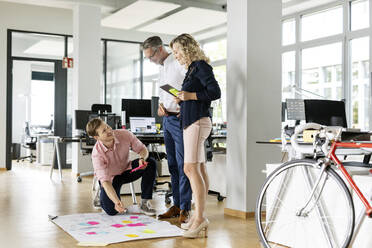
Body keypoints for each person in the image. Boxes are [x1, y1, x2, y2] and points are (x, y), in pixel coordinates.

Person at [170, 33, 221, 238]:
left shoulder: (201, 66)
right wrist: (183, 103)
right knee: (198, 167)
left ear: (187, 48)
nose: (176, 56)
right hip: (191, 119)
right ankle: (199, 216)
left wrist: (190, 96)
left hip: (197, 122)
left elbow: (215, 92)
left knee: (189, 167)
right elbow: (195, 97)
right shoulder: (191, 70)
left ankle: (199, 218)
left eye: (177, 51)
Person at [142, 36, 192, 223]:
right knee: (172, 165)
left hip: (180, 119)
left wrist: (184, 106)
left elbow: (188, 87)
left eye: (151, 56)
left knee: (183, 164)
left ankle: (186, 207)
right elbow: (168, 90)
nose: (150, 60)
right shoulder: (161, 68)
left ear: (159, 49)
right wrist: (161, 105)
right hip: (167, 120)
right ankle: (177, 205)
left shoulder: (178, 63)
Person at [86, 118, 157, 216]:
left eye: (107, 127)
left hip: (127, 171)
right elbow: (106, 181)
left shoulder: (124, 134)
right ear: (96, 137)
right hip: (110, 179)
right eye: (104, 131)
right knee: (111, 211)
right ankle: (101, 194)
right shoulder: (96, 154)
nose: (109, 130)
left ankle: (144, 202)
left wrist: (142, 158)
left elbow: (142, 149)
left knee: (150, 162)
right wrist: (116, 202)